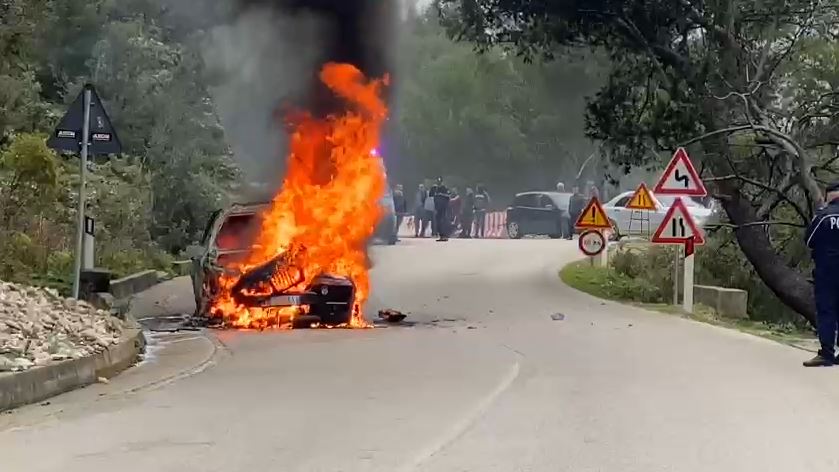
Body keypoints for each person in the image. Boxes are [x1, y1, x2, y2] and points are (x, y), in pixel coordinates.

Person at [803, 182, 839, 367]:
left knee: (827, 311)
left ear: (829, 196)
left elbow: (809, 240)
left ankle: (827, 353)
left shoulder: (824, 215)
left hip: (827, 271)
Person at [429, 177, 451, 241]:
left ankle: (444, 235)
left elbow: (448, 196)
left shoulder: (444, 188)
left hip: (443, 207)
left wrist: (441, 194)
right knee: (437, 221)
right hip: (436, 207)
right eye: (437, 181)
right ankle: (441, 235)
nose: (438, 183)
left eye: (439, 181)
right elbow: (430, 195)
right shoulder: (434, 188)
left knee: (443, 221)